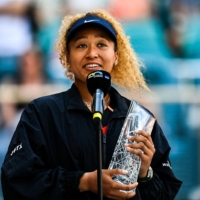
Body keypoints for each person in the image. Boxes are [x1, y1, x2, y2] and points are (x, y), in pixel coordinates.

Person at [1, 9, 182, 199]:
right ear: (67, 59)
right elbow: (16, 181)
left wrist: (146, 175)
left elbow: (165, 192)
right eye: (81, 46)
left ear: (116, 56)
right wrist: (83, 181)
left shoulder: (141, 119)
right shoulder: (41, 112)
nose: (92, 53)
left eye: (102, 44)